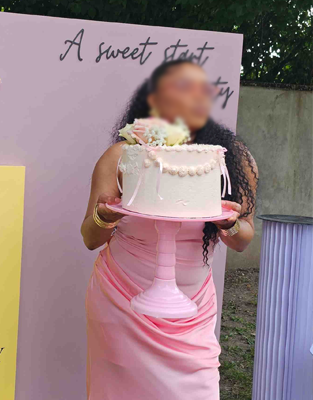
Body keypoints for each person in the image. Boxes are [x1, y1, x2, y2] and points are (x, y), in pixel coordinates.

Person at [81, 59, 258, 400]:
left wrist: (229, 223)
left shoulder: (231, 159)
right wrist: (105, 217)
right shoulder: (123, 155)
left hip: (193, 306)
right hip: (122, 300)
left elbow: (242, 239)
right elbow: (89, 237)